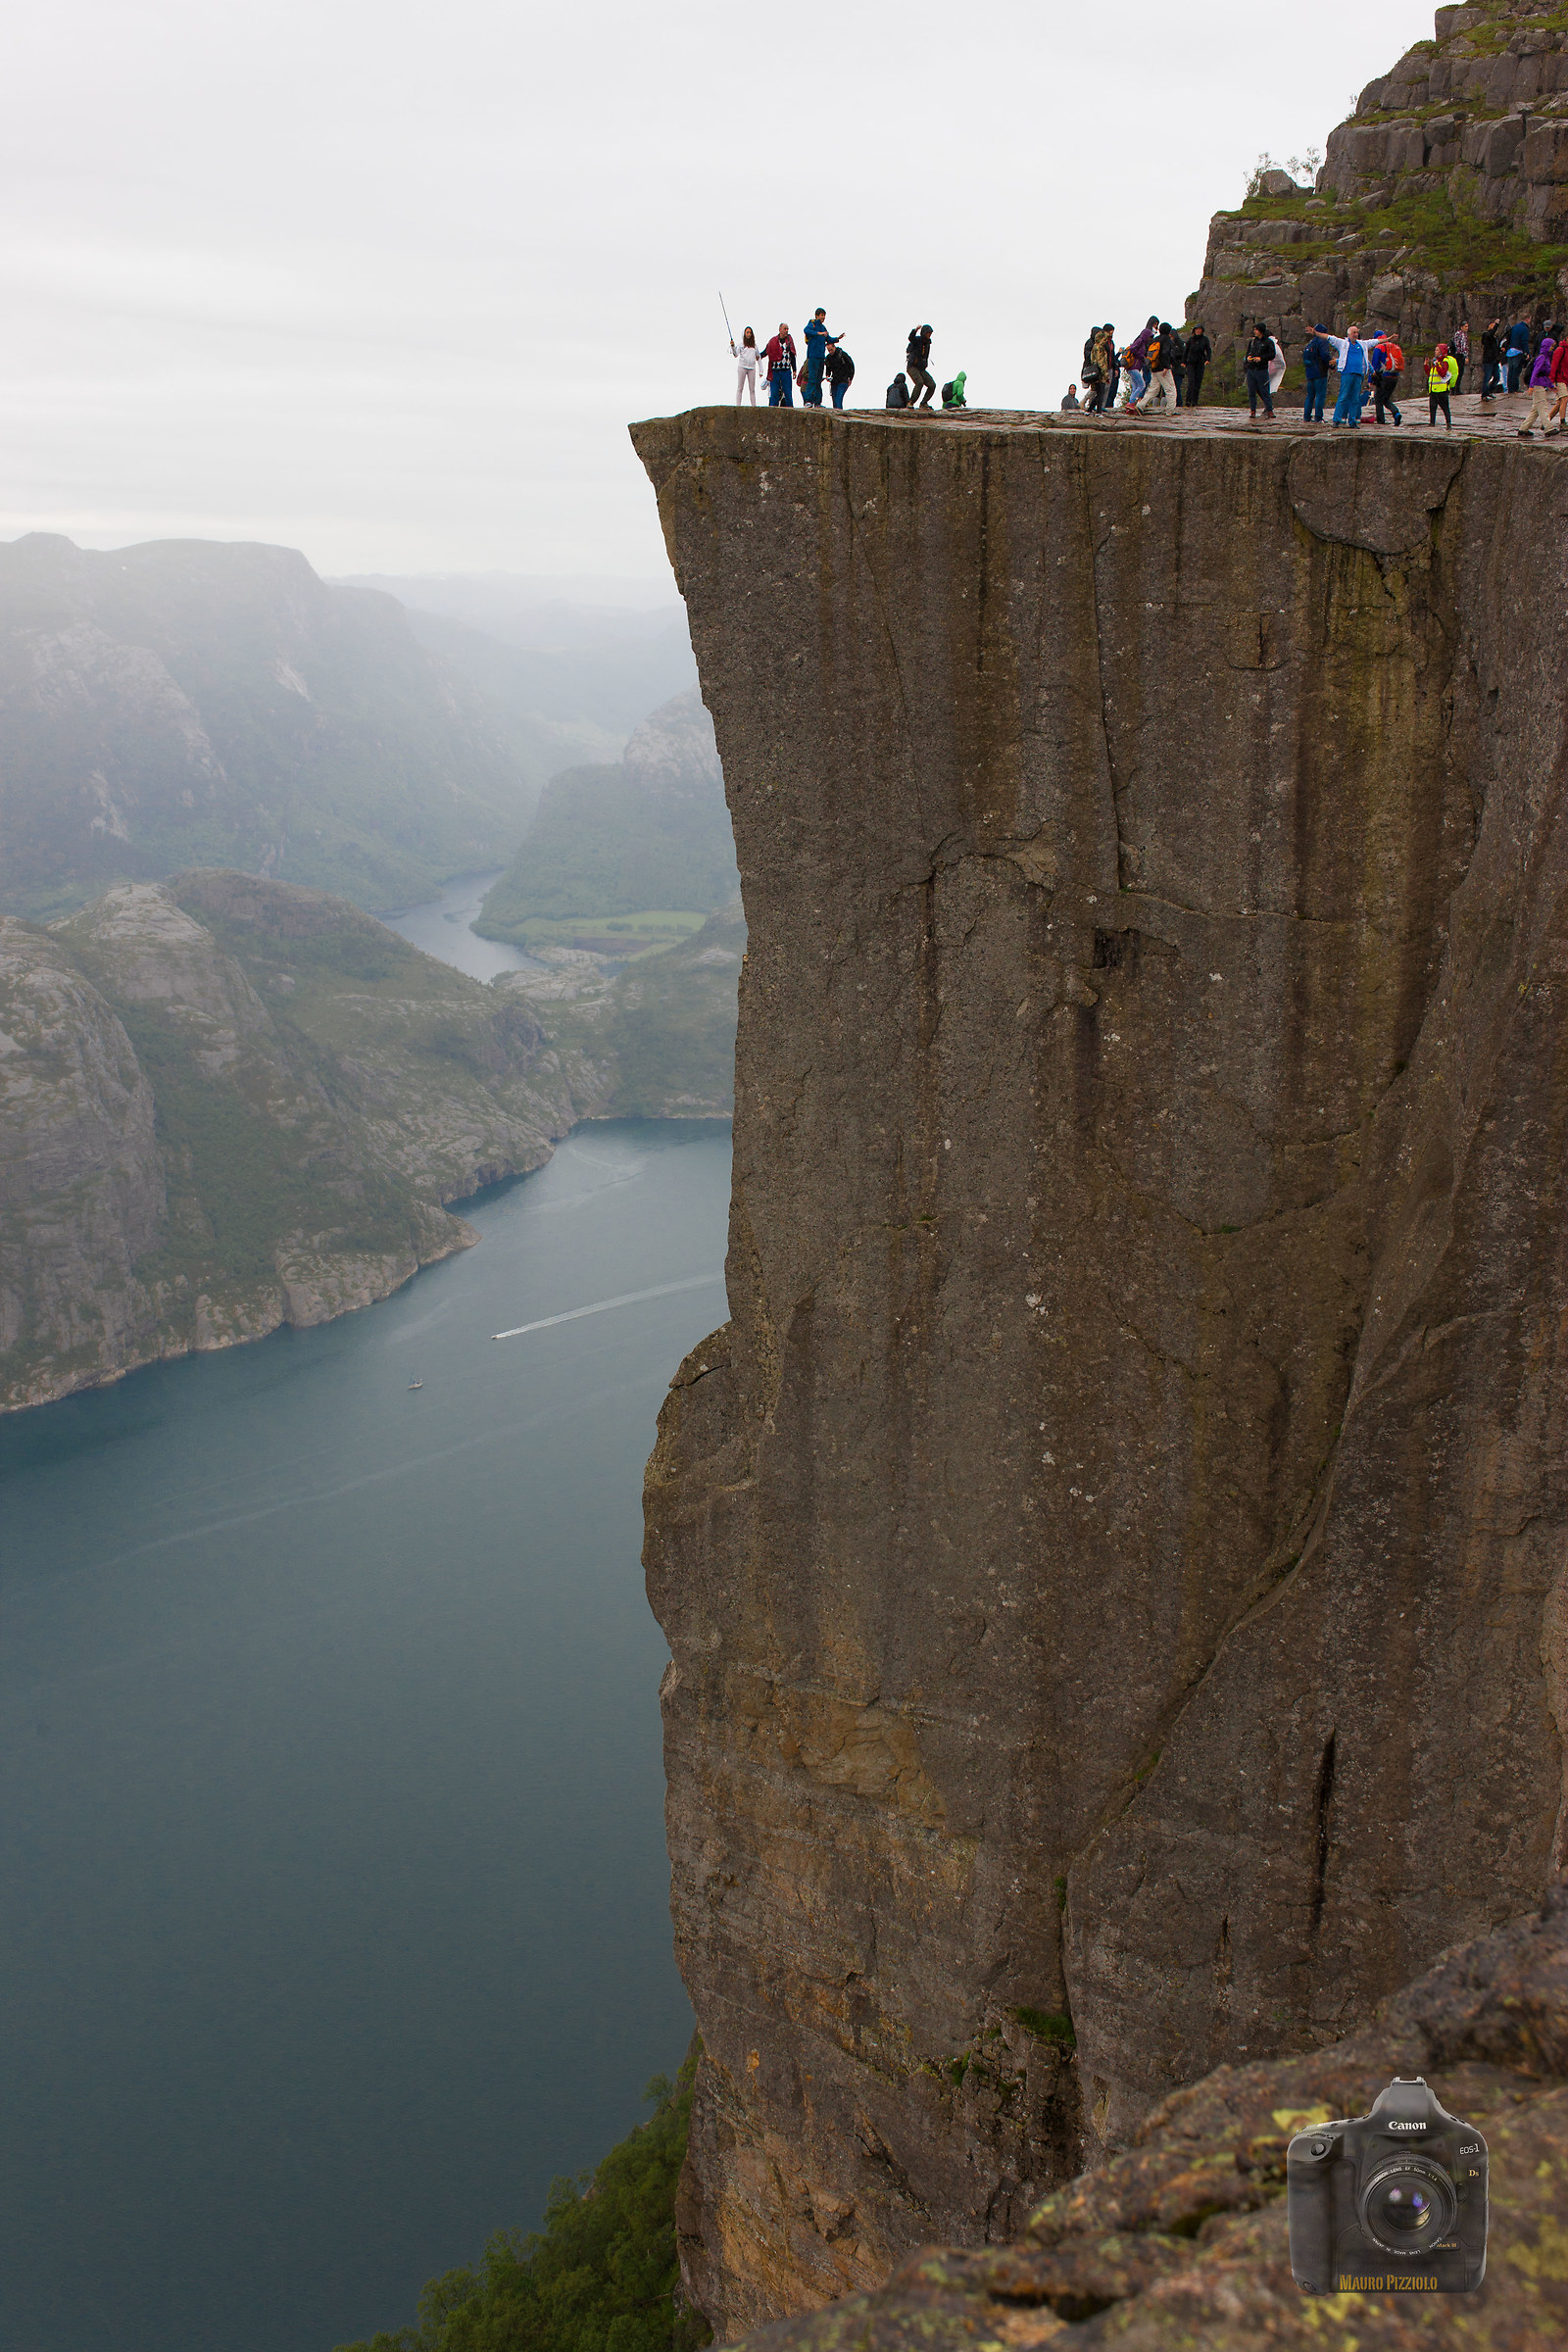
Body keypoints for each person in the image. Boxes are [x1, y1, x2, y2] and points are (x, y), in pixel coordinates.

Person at [1321, 326, 1370, 424]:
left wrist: (1388, 339)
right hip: (1347, 374)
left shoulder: (1362, 344)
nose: (1356, 334)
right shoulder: (1343, 343)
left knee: (1355, 399)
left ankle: (1352, 421)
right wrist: (1315, 333)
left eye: (1357, 332)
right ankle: (1337, 419)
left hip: (1358, 374)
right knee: (1343, 397)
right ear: (1348, 335)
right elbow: (1329, 337)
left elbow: (1375, 341)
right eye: (1354, 333)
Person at [1518, 332, 1558, 435]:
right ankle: (1548, 428)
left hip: (1540, 384)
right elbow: (1535, 372)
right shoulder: (1542, 357)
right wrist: (1531, 386)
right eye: (1551, 347)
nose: (1552, 349)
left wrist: (1551, 386)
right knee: (1543, 406)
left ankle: (1524, 428)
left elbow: (1544, 375)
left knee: (1535, 409)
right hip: (1537, 385)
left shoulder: (1546, 357)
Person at [1134, 322, 1178, 414]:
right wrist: (1167, 366)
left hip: (1154, 368)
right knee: (1170, 389)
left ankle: (1140, 405)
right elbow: (1165, 354)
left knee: (1153, 389)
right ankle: (1170, 410)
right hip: (1163, 369)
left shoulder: (1155, 340)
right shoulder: (1168, 340)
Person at [1244, 318, 1278, 418]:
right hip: (1251, 370)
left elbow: (1272, 355)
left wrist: (1261, 359)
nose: (1254, 331)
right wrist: (1248, 359)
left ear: (1260, 330)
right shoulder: (1252, 341)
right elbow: (1248, 353)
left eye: (1256, 330)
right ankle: (1253, 411)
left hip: (1262, 370)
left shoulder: (1268, 342)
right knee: (1251, 392)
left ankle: (1269, 410)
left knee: (1264, 391)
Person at [802, 309, 836, 407]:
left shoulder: (823, 327)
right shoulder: (812, 324)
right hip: (813, 357)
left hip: (821, 357)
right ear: (817, 316)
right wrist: (818, 333)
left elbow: (828, 339)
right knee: (812, 379)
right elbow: (806, 330)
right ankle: (808, 401)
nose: (823, 317)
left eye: (824, 315)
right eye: (822, 315)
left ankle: (817, 402)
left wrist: (837, 338)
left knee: (818, 380)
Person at [1369, 332, 1403, 425]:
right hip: (1395, 376)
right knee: (1385, 398)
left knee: (1378, 399)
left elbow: (1374, 365)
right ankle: (1396, 413)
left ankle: (1381, 421)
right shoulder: (1394, 346)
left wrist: (1371, 380)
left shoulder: (1379, 347)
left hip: (1384, 377)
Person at [1302, 323, 1335, 421]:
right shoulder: (1322, 341)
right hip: (1320, 372)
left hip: (1309, 372)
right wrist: (1331, 365)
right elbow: (1325, 355)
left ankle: (1306, 417)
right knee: (1320, 395)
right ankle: (1318, 417)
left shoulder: (1311, 342)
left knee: (1310, 395)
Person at [764, 321, 797, 407]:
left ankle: (790, 409)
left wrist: (794, 370)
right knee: (774, 392)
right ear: (780, 330)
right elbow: (767, 351)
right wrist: (758, 356)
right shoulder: (773, 341)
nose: (786, 331)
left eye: (787, 329)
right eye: (785, 329)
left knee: (788, 392)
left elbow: (792, 355)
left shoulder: (789, 341)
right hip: (775, 370)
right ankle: (773, 408)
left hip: (786, 370)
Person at [1428, 340, 1459, 429]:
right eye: (1435, 350)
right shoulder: (1435, 361)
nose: (1435, 351)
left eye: (1437, 350)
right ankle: (1432, 423)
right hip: (1433, 388)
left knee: (1445, 408)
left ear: (1442, 351)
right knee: (1432, 407)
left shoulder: (1444, 361)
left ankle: (1448, 424)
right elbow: (1429, 373)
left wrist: (1437, 365)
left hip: (1442, 389)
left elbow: (1443, 373)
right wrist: (1426, 365)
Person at [906, 324, 936, 409]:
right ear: (924, 333)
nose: (929, 335)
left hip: (921, 368)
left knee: (932, 385)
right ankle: (911, 402)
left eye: (930, 333)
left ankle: (923, 403)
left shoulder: (928, 343)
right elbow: (911, 338)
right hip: (912, 366)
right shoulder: (917, 340)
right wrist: (915, 330)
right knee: (919, 382)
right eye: (928, 333)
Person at [1183, 322, 1211, 409]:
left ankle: (1195, 401)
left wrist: (1207, 359)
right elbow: (1186, 351)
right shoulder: (1191, 339)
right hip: (1190, 363)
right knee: (1191, 381)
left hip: (1200, 363)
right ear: (1194, 331)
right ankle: (1188, 401)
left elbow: (1208, 350)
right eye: (1196, 329)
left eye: (1199, 329)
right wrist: (1183, 361)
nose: (1198, 331)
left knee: (1198, 382)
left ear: (1202, 331)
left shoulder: (1205, 339)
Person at [732, 325, 760, 406]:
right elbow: (735, 354)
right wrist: (733, 346)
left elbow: (758, 357)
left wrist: (761, 370)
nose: (749, 334)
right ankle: (738, 405)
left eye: (750, 333)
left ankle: (754, 405)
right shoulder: (741, 345)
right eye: (747, 332)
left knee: (752, 389)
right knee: (740, 387)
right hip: (742, 367)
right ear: (744, 334)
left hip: (752, 368)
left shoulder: (754, 346)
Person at [825, 339, 855, 409]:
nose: (830, 352)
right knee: (834, 400)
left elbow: (851, 365)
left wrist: (850, 378)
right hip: (834, 380)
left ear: (834, 347)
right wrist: (827, 375)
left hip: (843, 380)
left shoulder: (842, 354)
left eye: (831, 350)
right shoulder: (828, 357)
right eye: (829, 350)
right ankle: (836, 413)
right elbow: (828, 368)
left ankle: (839, 414)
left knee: (838, 399)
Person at [1549, 327, 1568, 432]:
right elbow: (1554, 365)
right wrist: (1551, 381)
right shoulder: (1560, 350)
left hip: (1565, 379)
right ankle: (1562, 422)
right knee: (1565, 399)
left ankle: (1546, 421)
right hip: (1559, 378)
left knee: (1559, 402)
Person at [1505, 318, 1531, 394]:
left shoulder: (1514, 327)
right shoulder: (1524, 329)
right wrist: (1527, 352)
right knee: (1516, 371)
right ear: (1528, 319)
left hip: (1510, 351)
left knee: (1510, 370)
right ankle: (1515, 388)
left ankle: (1510, 388)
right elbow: (1524, 341)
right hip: (1518, 351)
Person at [1480, 318, 1502, 404]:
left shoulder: (1496, 337)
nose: (1493, 327)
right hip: (1488, 360)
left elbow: (1495, 347)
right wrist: (1496, 325)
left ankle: (1490, 390)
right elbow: (1490, 334)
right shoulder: (1486, 335)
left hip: (1495, 359)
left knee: (1497, 377)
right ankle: (1484, 394)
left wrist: (1500, 350)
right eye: (1491, 325)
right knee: (1487, 377)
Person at [1266, 328, 1289, 405]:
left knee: (1269, 386)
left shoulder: (1272, 345)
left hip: (1275, 368)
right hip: (1272, 368)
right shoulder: (1273, 344)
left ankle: (1269, 405)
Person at [1453, 318, 1470, 392]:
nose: (1467, 328)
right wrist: (1466, 356)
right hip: (1460, 355)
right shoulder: (1461, 334)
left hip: (1457, 355)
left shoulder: (1460, 334)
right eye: (1465, 326)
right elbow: (1463, 347)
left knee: (1458, 372)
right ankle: (1456, 389)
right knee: (1459, 372)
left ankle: (1455, 388)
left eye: (1467, 326)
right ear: (1461, 327)